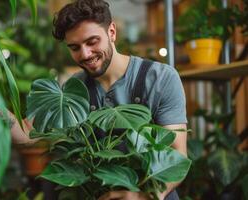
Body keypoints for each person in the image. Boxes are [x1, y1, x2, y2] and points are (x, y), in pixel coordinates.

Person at [11, 0, 188, 199]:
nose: (85, 54)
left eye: (92, 42)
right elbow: (26, 135)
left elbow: (177, 156)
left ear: (111, 32)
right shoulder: (72, 91)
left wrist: (143, 196)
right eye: (74, 47)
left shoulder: (160, 78)